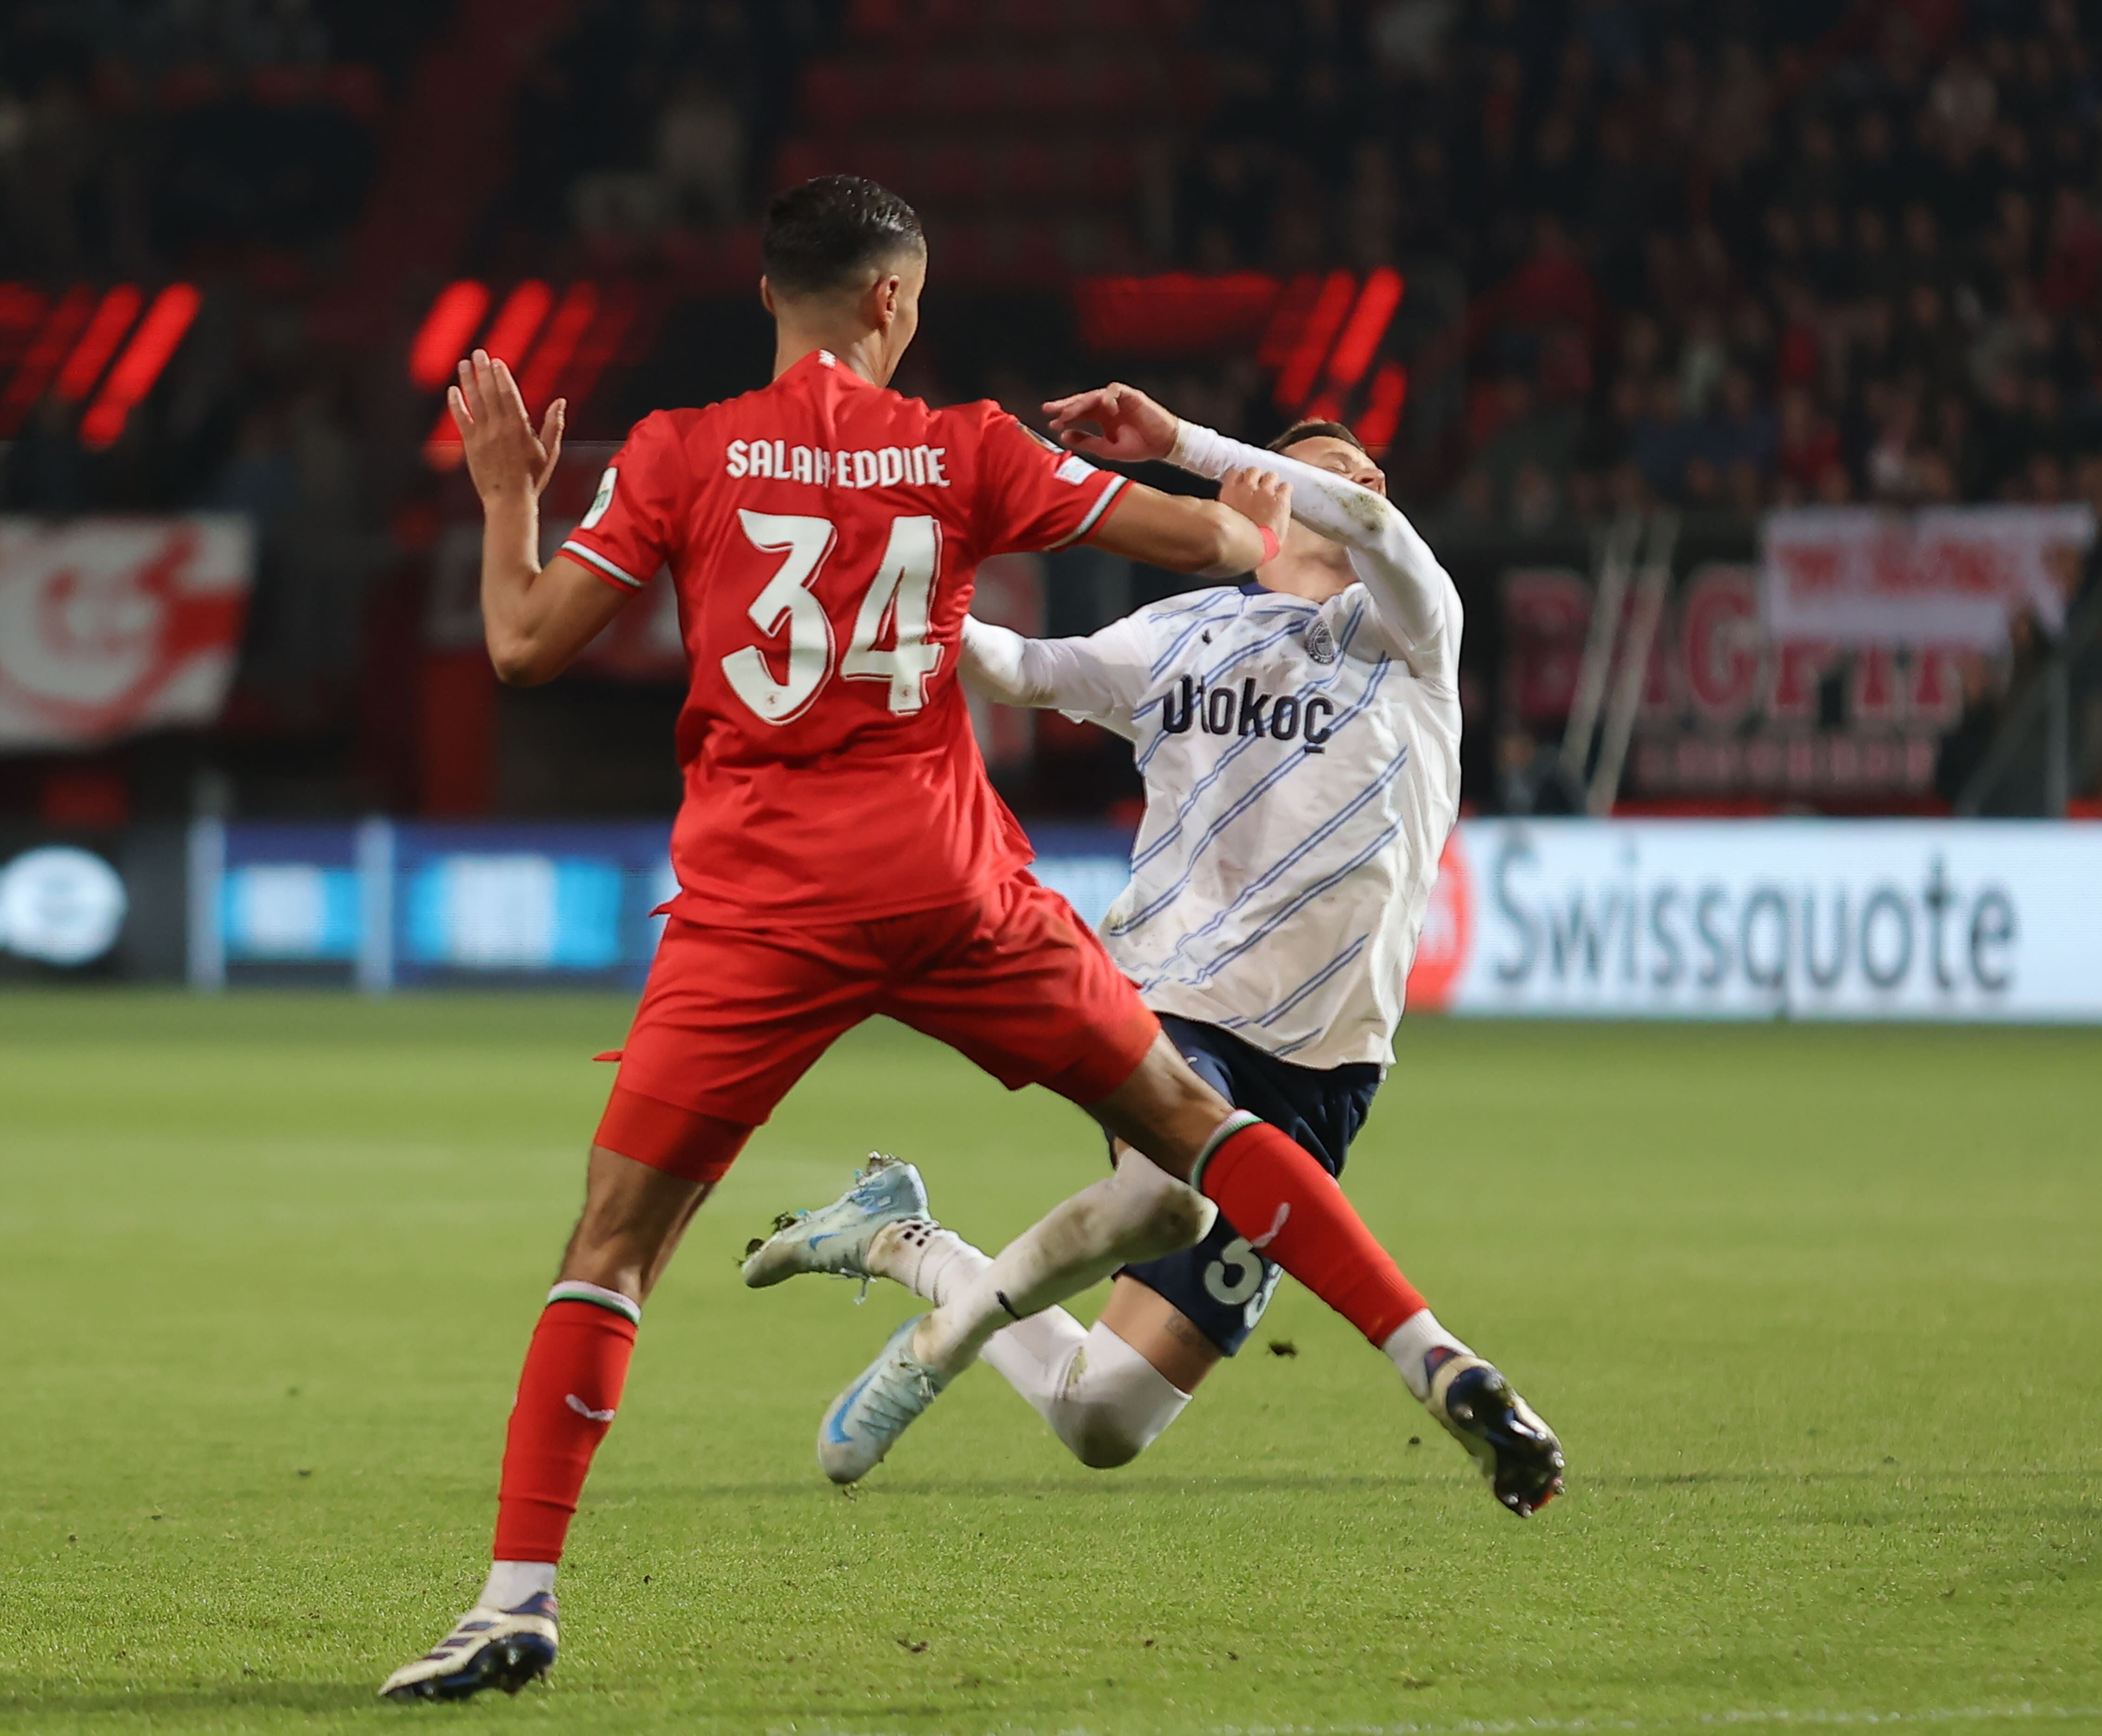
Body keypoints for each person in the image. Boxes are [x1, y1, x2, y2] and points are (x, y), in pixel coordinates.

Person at [380, 177, 1548, 1701]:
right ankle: (1433, 1359)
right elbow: (1128, 585)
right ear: (890, 302)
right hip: (959, 888)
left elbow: (523, 645)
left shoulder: (679, 449)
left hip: (759, 906)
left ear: (767, 293)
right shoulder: (968, 452)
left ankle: (524, 1589)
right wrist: (1156, 481)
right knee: (1183, 1154)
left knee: (642, 1259)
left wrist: (504, 499)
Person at [744, 389, 1560, 1508]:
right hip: (1176, 999)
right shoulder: (1175, 636)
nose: (1365, 485)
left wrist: (1178, 443)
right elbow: (1016, 669)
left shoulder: (1411, 632)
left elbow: (1376, 532)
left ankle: (905, 1244)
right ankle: (944, 1343)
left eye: (1370, 473)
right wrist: (897, 592)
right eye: (1334, 468)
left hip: (1328, 1064)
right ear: (1254, 496)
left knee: (1103, 1417)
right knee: (1167, 1195)